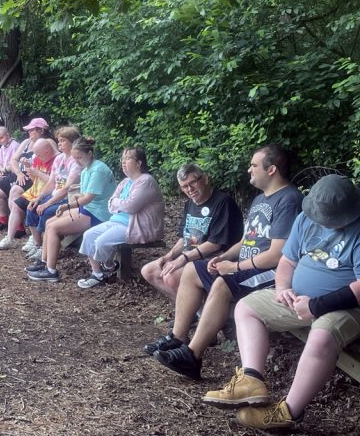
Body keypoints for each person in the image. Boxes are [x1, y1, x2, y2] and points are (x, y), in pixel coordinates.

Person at [202, 174, 360, 430]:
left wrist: (317, 305)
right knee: (247, 307)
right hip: (297, 297)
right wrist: (283, 287)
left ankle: (289, 412)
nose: (326, 224)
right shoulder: (306, 217)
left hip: (346, 305)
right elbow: (287, 261)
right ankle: (251, 380)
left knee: (321, 338)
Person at [148, 145, 302, 379]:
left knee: (222, 283)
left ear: (271, 170)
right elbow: (247, 240)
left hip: (269, 271)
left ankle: (192, 357)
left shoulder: (288, 200)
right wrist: (225, 256)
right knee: (191, 270)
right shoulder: (261, 198)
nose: (249, 170)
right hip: (245, 265)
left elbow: (277, 255)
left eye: (253, 165)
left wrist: (234, 267)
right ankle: (178, 338)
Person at [140, 163, 244, 301]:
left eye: (193, 182)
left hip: (216, 258)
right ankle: (192, 312)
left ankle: (197, 314)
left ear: (205, 179)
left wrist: (183, 258)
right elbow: (185, 238)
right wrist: (169, 256)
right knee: (149, 271)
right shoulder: (189, 204)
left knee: (171, 276)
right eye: (185, 186)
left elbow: (215, 244)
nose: (190, 189)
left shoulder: (223, 202)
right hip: (192, 256)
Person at [64, 147, 165, 288]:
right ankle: (97, 275)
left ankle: (109, 265)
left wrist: (117, 203)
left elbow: (131, 206)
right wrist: (118, 203)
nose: (123, 162)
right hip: (116, 221)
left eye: (128, 158)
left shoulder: (146, 181)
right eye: (122, 159)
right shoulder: (125, 182)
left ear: (139, 163)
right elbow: (110, 204)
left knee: (101, 242)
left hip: (134, 225)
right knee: (88, 235)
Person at [24, 137, 117, 282]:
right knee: (49, 223)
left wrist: (67, 205)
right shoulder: (87, 169)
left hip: (99, 213)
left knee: (54, 228)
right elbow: (85, 194)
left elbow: (88, 198)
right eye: (74, 158)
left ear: (90, 153)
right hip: (89, 208)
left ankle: (51, 271)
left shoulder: (98, 170)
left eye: (79, 157)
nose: (77, 161)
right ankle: (44, 263)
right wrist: (77, 197)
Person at [20, 126, 82, 262]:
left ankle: (46, 249)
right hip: (55, 195)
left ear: (72, 142)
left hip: (68, 198)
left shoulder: (76, 161)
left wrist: (47, 203)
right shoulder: (59, 159)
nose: (59, 143)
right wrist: (39, 198)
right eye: (58, 140)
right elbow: (52, 182)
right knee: (32, 207)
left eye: (63, 141)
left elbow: (67, 188)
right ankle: (38, 244)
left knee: (46, 211)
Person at [0, 117, 55, 234]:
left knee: (15, 190)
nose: (29, 132)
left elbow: (57, 159)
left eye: (32, 130)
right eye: (28, 130)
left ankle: (19, 228)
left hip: (34, 176)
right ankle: (3, 221)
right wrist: (19, 173)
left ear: (41, 130)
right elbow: (13, 160)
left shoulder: (48, 143)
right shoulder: (26, 142)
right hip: (18, 173)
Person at [0, 138, 58, 250]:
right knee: (16, 204)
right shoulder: (39, 158)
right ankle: (9, 238)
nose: (36, 157)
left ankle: (35, 241)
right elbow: (35, 180)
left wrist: (36, 172)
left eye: (38, 154)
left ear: (47, 151)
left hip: (47, 193)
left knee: (32, 208)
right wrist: (30, 168)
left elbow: (54, 183)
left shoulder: (57, 160)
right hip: (35, 191)